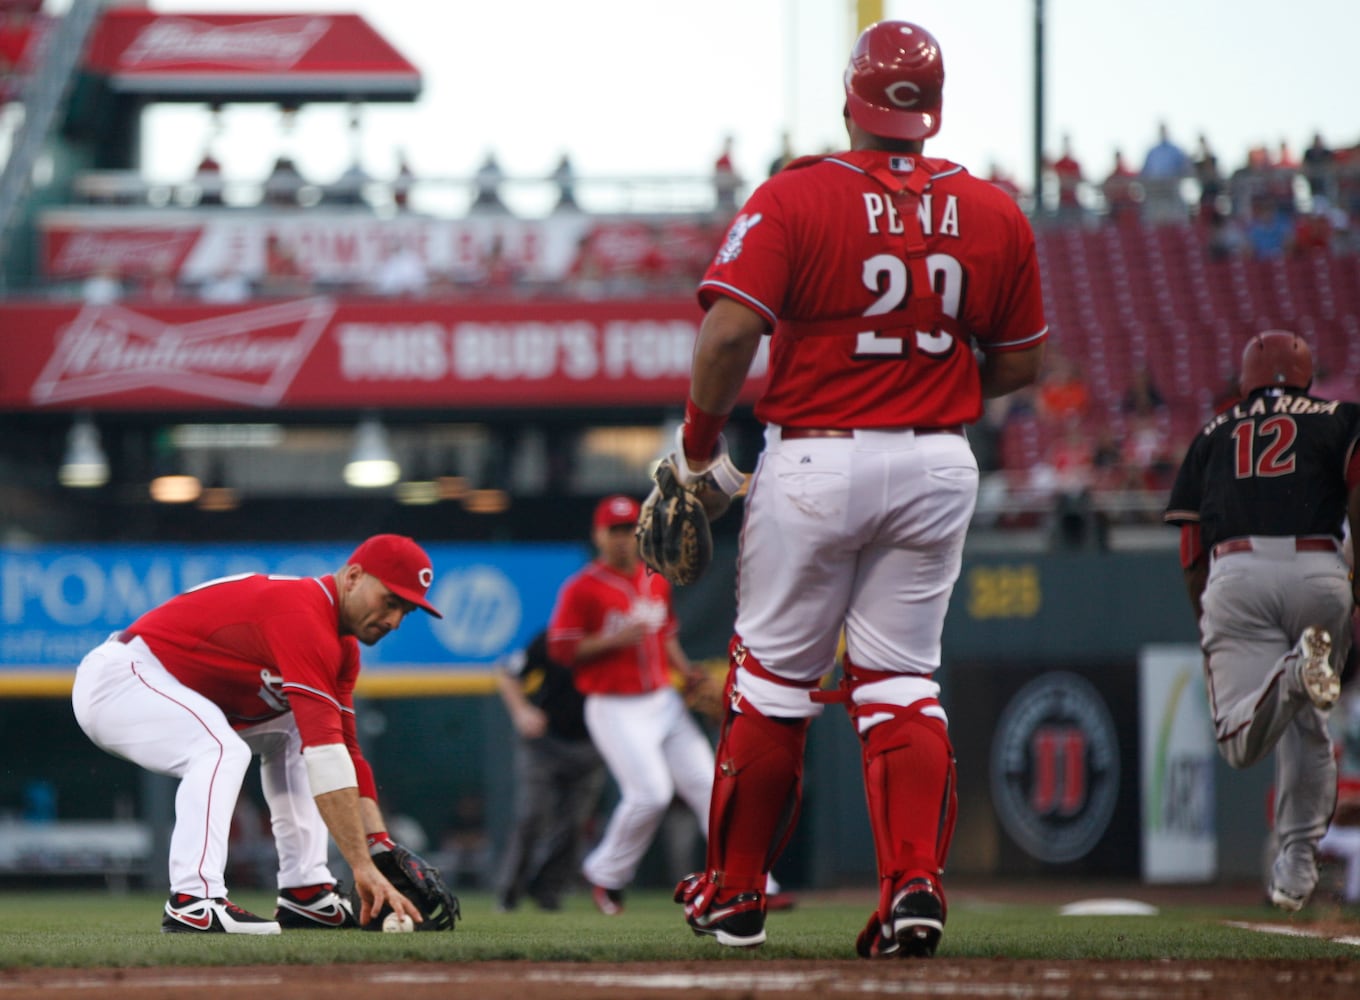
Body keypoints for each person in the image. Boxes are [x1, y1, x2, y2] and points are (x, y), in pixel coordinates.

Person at [668, 20, 1046, 957]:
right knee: (904, 683)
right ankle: (913, 882)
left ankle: (736, 892)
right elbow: (1024, 362)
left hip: (818, 455)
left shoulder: (800, 195)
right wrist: (935, 389)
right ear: (935, 109)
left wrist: (696, 451)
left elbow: (724, 338)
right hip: (935, 459)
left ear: (851, 102)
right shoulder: (994, 209)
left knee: (770, 683)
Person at [70, 535, 442, 934]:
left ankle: (307, 893)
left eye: (406, 610)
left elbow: (346, 752)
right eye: (390, 601)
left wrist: (379, 843)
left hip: (162, 686)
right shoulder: (302, 614)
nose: (395, 620)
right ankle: (193, 901)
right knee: (220, 748)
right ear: (353, 577)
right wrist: (361, 867)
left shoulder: (343, 649)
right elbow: (326, 757)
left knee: (298, 731)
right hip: (121, 680)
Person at [1164, 330, 1360, 912]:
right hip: (1321, 569)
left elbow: (1192, 548)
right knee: (1307, 728)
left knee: (1240, 743)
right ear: (1306, 376)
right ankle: (1298, 865)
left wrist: (1205, 616)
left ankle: (1295, 674)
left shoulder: (1212, 431)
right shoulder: (1338, 416)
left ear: (1245, 379)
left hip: (1240, 570)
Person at [545, 495, 719, 916]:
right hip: (613, 704)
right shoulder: (582, 587)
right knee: (651, 794)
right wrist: (612, 641)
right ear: (598, 536)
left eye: (629, 530)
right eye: (614, 530)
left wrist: (688, 671)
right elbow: (560, 649)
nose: (623, 539)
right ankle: (607, 875)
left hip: (663, 698)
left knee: (712, 787)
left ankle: (752, 881)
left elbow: (668, 635)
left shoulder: (655, 579)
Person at [492, 629, 606, 912]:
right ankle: (510, 891)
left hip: (590, 745)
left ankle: (548, 891)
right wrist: (521, 711)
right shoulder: (554, 637)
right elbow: (507, 673)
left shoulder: (616, 641)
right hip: (544, 742)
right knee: (533, 815)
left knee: (574, 825)